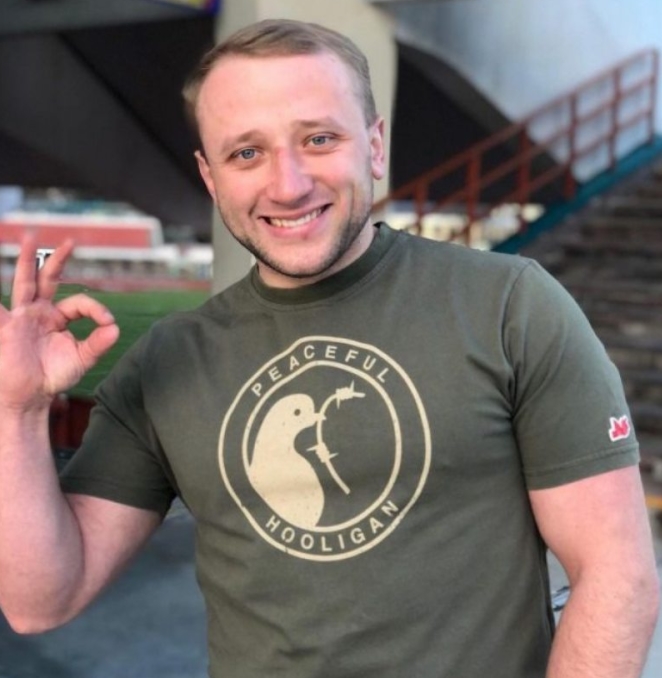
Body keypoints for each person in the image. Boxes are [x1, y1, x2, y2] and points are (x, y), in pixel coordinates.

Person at [0, 18, 659, 678]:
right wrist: (15, 409)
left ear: (374, 146)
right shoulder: (168, 361)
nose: (288, 184)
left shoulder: (510, 306)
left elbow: (616, 573)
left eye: (318, 139)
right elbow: (40, 601)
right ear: (210, 177)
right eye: (246, 153)